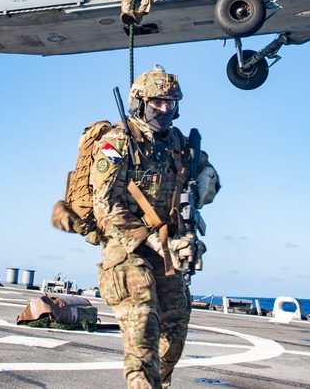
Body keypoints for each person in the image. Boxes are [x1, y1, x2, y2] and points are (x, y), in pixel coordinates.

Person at [89, 66, 220, 389]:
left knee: (174, 331)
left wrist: (206, 182)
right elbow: (104, 208)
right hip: (127, 250)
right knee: (144, 324)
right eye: (157, 102)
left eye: (170, 103)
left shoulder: (180, 143)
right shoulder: (117, 142)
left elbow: (208, 179)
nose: (164, 109)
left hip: (168, 250)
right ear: (140, 103)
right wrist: (158, 242)